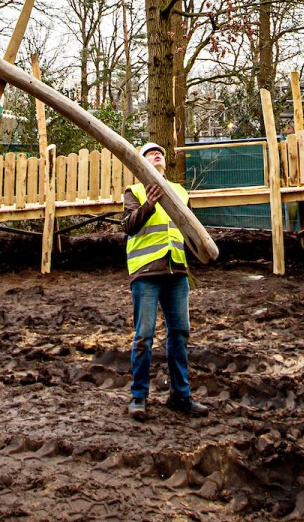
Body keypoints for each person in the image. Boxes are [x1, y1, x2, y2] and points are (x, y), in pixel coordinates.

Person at [121, 141, 207, 421]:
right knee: (144, 336)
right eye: (149, 153)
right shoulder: (134, 192)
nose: (156, 154)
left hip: (176, 272)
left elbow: (191, 230)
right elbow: (129, 226)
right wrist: (149, 204)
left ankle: (181, 395)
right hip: (146, 273)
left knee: (180, 333)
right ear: (142, 164)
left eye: (160, 153)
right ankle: (139, 397)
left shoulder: (181, 192)